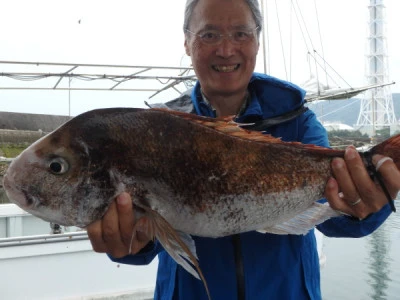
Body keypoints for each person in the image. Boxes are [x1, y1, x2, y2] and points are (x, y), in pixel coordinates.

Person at [86, 0, 400, 299]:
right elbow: (150, 238)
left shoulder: (299, 124)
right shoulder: (158, 131)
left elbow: (331, 216)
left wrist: (366, 204)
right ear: (186, 42)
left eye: (241, 33)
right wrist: (131, 242)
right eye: (209, 34)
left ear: (257, 42)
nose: (226, 49)